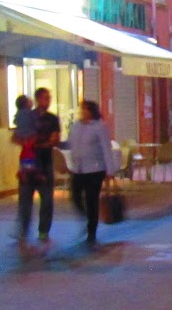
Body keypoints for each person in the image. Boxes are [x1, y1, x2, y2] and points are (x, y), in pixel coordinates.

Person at [66, 99, 122, 245]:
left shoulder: (99, 127)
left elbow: (106, 149)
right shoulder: (76, 126)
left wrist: (110, 170)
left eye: (86, 109)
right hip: (78, 169)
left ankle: (92, 232)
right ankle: (85, 217)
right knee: (75, 196)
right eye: (82, 109)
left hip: (95, 169)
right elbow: (70, 143)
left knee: (92, 200)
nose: (83, 112)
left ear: (92, 111)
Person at [16, 87, 61, 243]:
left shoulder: (52, 119)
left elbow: (55, 139)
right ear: (37, 99)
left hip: (45, 163)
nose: (48, 101)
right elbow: (17, 136)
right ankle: (23, 230)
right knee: (25, 199)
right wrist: (27, 142)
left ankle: (43, 231)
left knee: (47, 200)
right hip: (28, 164)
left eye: (49, 98)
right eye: (45, 98)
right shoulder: (27, 116)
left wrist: (40, 143)